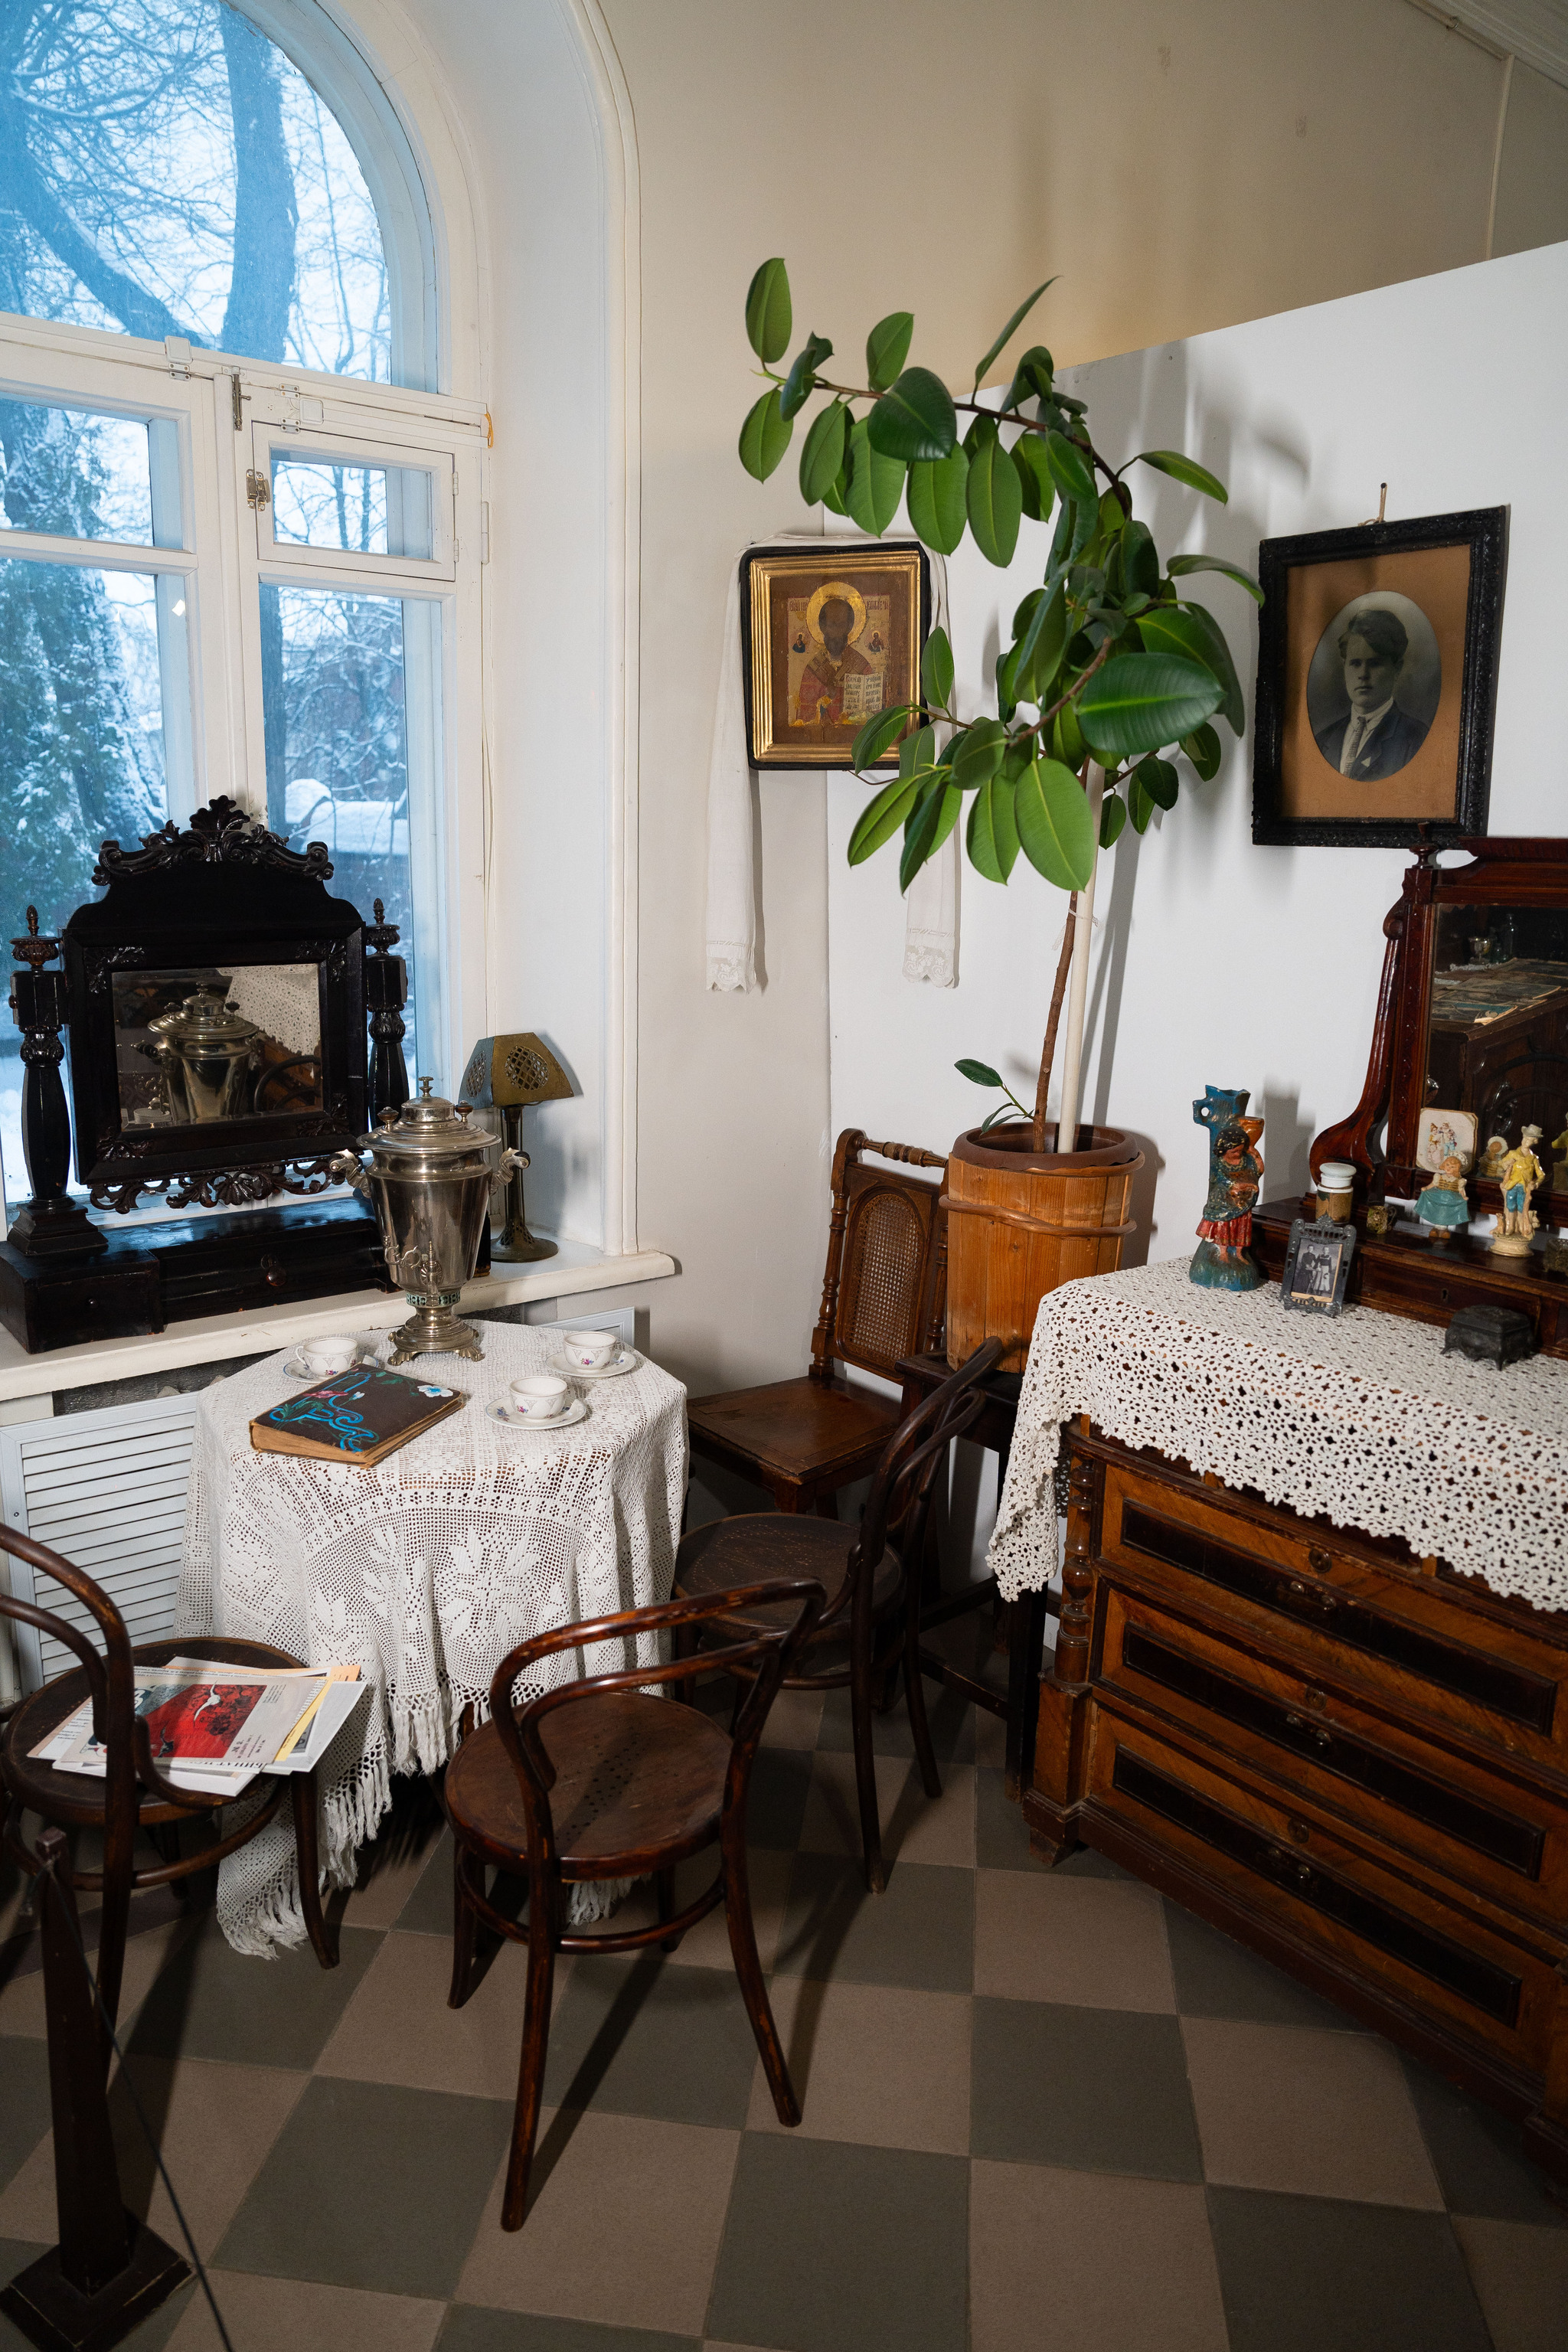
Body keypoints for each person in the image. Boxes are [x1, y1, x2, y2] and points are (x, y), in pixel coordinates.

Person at [1313, 607, 1430, 782]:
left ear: (1397, 669)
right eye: (1355, 664)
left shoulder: (1416, 739)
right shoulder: (1324, 739)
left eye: (1375, 664)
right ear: (1345, 667)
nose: (1363, 674)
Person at [795, 595, 874, 727]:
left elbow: (871, 715)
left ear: (849, 627)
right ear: (823, 627)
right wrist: (827, 697)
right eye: (832, 625)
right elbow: (805, 718)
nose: (837, 631)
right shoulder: (813, 668)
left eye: (841, 625)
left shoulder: (862, 666)